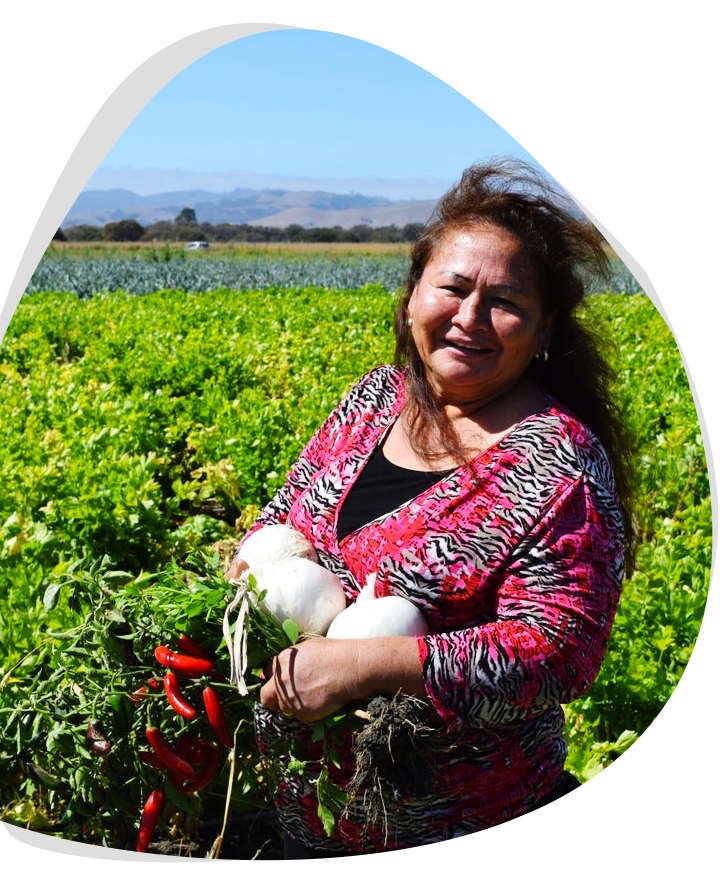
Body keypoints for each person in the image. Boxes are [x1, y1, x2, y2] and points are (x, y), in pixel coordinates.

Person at [228, 157, 637, 860]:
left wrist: (368, 666)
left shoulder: (560, 464)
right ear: (413, 295)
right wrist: (240, 574)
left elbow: (559, 654)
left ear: (542, 330)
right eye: (452, 287)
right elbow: (284, 519)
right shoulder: (374, 401)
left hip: (463, 831)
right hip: (312, 816)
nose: (470, 317)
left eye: (505, 301)